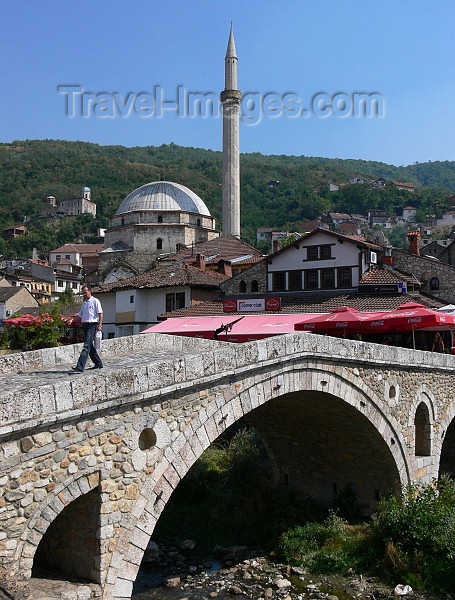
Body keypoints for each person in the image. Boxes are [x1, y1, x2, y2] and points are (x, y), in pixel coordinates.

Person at [71, 284, 103, 373]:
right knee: (90, 346)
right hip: (84, 325)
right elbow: (79, 315)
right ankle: (98, 363)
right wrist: (72, 320)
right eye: (83, 293)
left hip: (92, 325)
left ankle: (80, 366)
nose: (84, 295)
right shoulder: (84, 303)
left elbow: (100, 313)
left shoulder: (95, 301)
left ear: (90, 291)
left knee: (86, 346)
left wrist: (100, 325)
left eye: (85, 293)